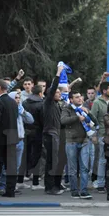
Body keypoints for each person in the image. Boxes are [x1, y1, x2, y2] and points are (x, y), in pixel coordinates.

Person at [61, 91, 99, 199]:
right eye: (76, 97)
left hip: (84, 141)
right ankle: (74, 190)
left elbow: (95, 122)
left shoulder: (84, 108)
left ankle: (83, 190)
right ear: (71, 99)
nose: (79, 99)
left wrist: (89, 113)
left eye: (80, 97)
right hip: (71, 141)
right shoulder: (67, 108)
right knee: (73, 168)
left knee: (84, 167)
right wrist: (77, 118)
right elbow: (63, 121)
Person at [42, 65, 65, 195]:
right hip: (50, 135)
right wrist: (58, 73)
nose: (59, 93)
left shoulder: (57, 105)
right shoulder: (48, 102)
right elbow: (53, 88)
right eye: (57, 92)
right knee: (51, 162)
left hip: (56, 135)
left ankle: (55, 185)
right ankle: (49, 187)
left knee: (55, 162)